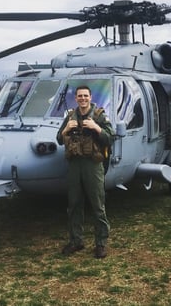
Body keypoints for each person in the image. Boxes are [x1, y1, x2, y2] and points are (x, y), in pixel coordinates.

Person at [56, 85, 115, 258]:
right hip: (75, 164)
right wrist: (67, 129)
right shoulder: (70, 116)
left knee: (97, 204)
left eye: (85, 96)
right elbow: (59, 139)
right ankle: (76, 241)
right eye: (79, 96)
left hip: (93, 164)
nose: (82, 99)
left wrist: (96, 128)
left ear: (90, 97)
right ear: (75, 98)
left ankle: (101, 243)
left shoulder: (99, 115)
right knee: (74, 204)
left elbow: (111, 137)